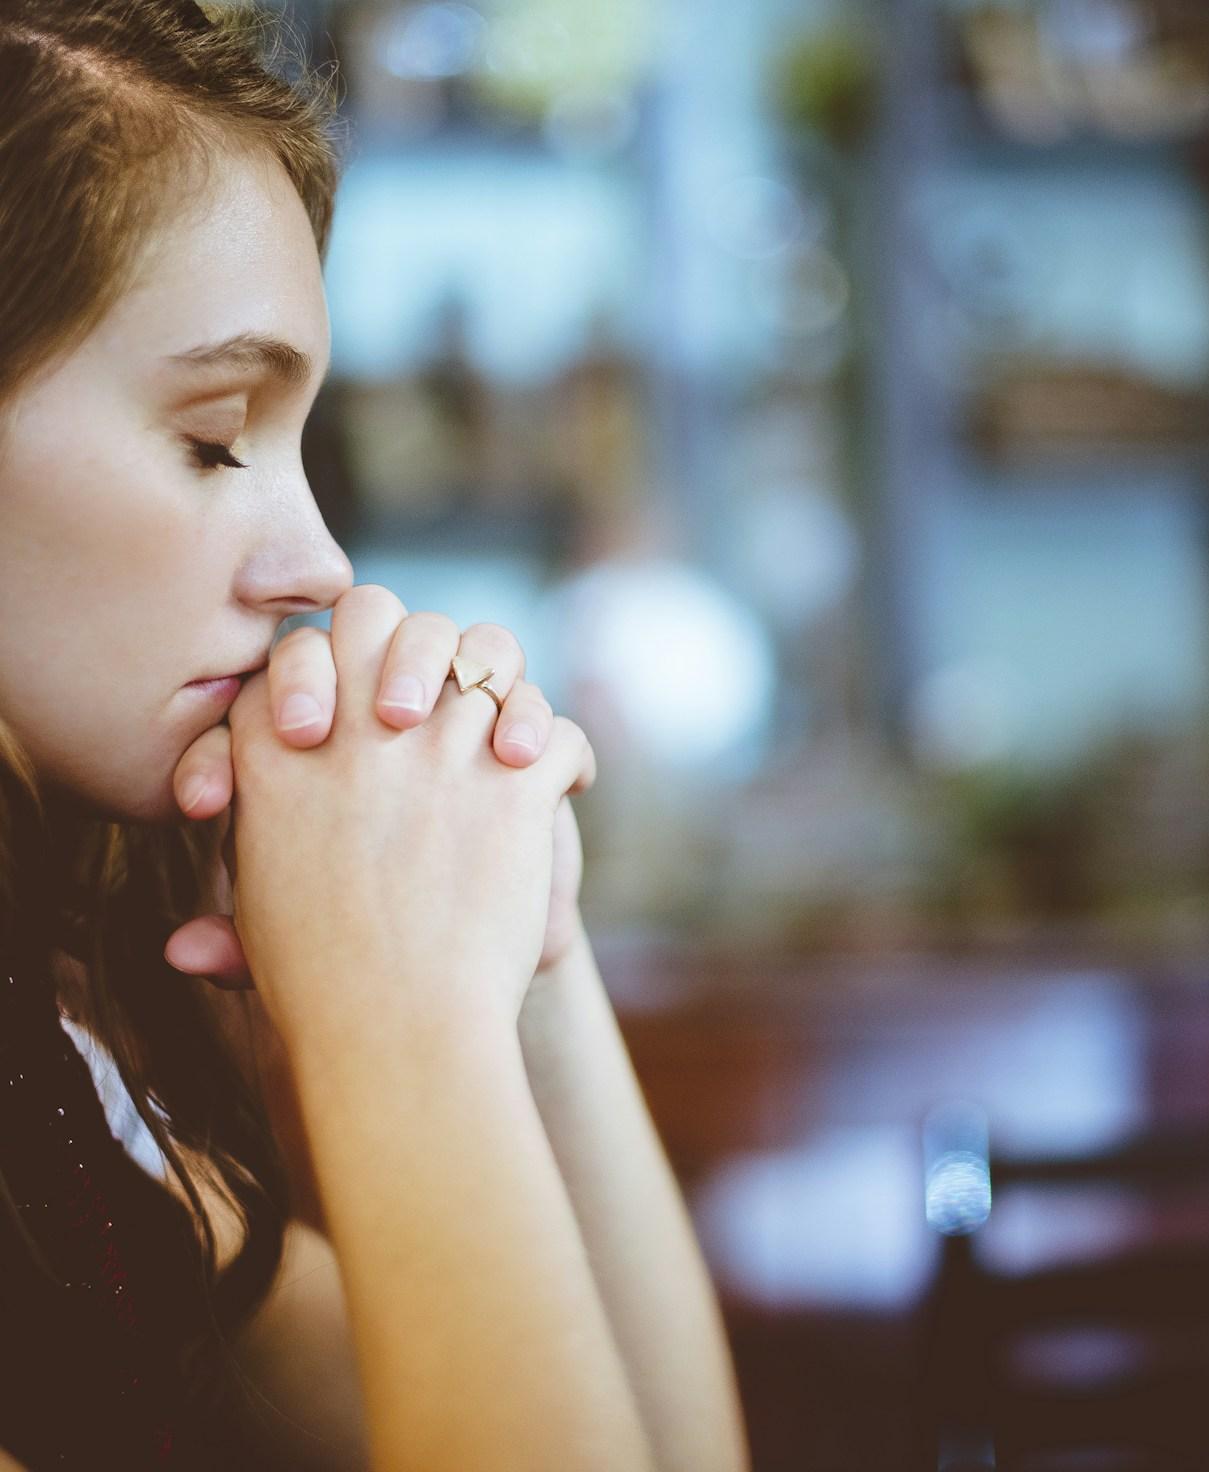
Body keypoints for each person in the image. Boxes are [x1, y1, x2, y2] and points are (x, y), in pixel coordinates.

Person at [0, 2, 751, 1468]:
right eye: (215, 437)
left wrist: (520, 946)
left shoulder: (58, 1066)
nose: (324, 566)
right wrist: (396, 1021)